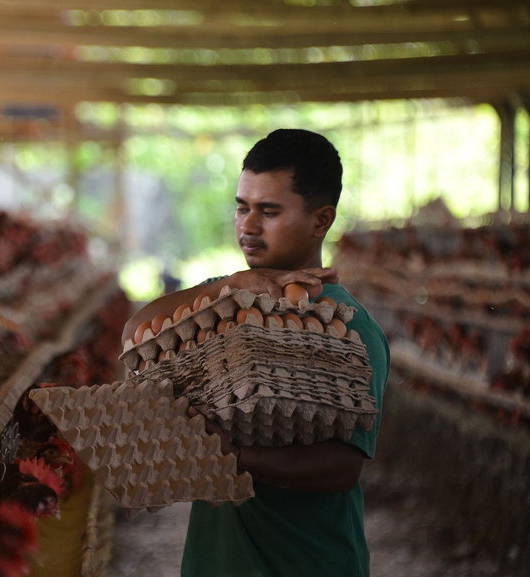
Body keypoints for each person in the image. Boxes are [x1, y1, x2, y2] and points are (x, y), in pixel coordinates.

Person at [121, 128, 390, 577]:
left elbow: (343, 467)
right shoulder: (226, 306)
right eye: (241, 207)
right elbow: (135, 336)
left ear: (321, 220)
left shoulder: (350, 328)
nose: (247, 225)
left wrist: (232, 457)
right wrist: (228, 286)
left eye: (268, 211)